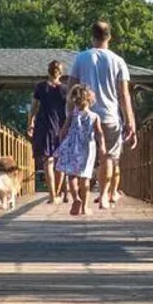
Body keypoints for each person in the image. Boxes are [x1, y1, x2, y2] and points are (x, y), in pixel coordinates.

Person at [68, 19, 136, 211]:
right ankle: (105, 196)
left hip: (84, 115)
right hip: (109, 116)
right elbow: (124, 95)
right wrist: (130, 121)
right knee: (107, 157)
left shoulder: (81, 58)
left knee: (82, 157)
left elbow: (71, 89)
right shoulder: (118, 61)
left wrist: (69, 116)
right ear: (110, 37)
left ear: (92, 37)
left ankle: (82, 199)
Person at [50, 83, 99, 216]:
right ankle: (85, 207)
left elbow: (63, 130)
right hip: (87, 149)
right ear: (90, 100)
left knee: (71, 175)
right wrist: (103, 147)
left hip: (72, 147)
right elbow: (99, 133)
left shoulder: (72, 114)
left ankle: (76, 198)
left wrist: (61, 143)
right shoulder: (94, 116)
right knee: (85, 177)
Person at [30, 60, 69, 203]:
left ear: (48, 71)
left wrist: (30, 123)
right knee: (60, 162)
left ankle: (53, 195)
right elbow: (69, 110)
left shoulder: (40, 87)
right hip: (61, 126)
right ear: (61, 72)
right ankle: (58, 193)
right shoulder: (65, 89)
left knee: (48, 161)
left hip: (44, 125)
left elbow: (33, 107)